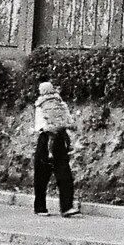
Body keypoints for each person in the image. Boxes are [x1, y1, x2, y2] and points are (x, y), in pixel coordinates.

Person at [32, 81, 79, 218]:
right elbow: (69, 121)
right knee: (64, 174)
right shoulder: (61, 104)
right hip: (60, 139)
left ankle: (40, 207)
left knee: (41, 175)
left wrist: (48, 128)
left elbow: (39, 126)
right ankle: (66, 207)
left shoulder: (39, 105)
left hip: (46, 140)